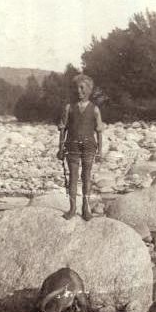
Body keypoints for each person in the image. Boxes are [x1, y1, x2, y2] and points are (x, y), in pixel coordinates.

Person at [57, 74, 104, 220]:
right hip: (72, 146)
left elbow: (99, 130)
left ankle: (85, 208)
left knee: (87, 177)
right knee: (73, 177)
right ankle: (72, 208)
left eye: (82, 88)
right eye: (76, 88)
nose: (79, 91)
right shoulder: (68, 108)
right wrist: (60, 148)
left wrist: (100, 150)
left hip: (90, 146)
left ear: (89, 90)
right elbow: (63, 128)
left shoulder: (95, 109)